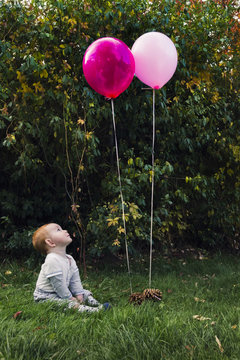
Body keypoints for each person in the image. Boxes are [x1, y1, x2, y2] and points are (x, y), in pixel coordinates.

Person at [32, 223, 109, 313]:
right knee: (68, 304)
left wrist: (78, 294)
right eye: (58, 230)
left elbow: (74, 280)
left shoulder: (70, 259)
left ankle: (96, 304)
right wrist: (69, 298)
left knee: (84, 293)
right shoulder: (52, 260)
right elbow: (58, 285)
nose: (65, 231)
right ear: (50, 242)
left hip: (63, 292)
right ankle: (95, 311)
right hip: (46, 296)